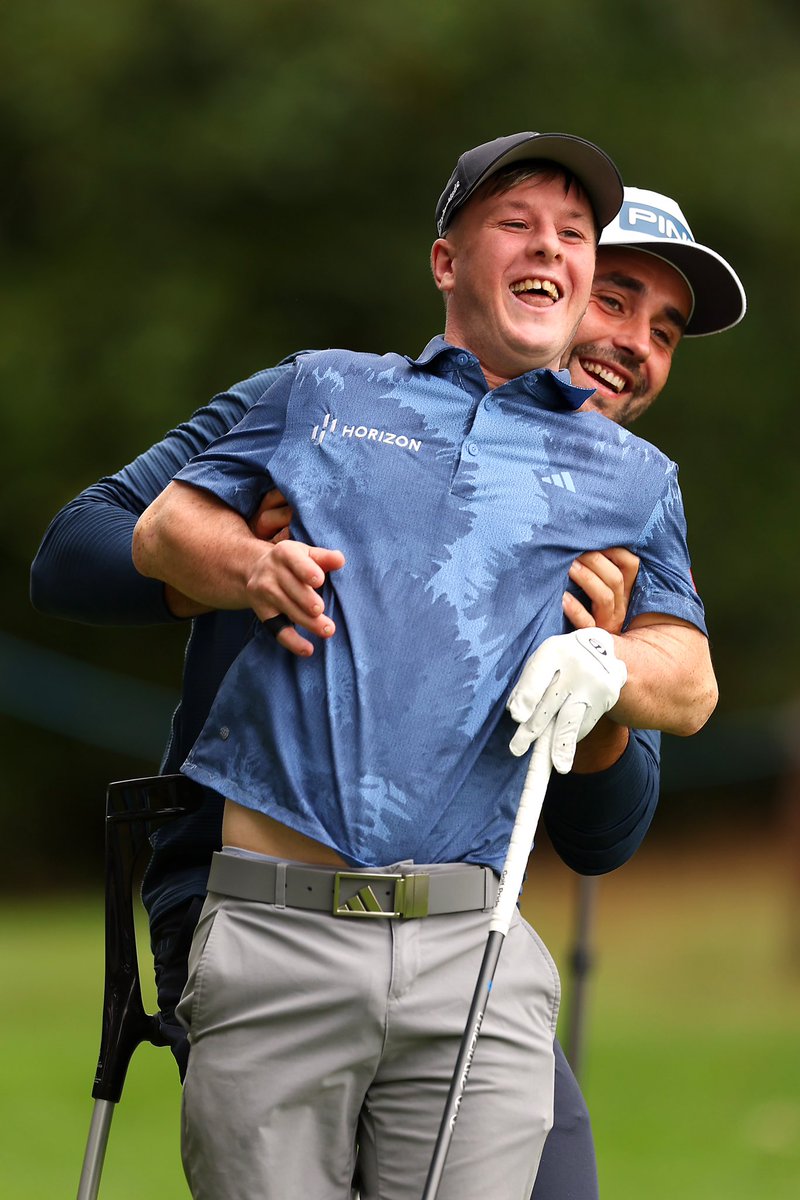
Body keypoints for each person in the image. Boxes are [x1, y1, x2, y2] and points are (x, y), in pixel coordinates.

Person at [29, 164, 745, 1199]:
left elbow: (605, 833)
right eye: (614, 297)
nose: (631, 341)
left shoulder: (622, 506)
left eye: (663, 330)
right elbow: (82, 549)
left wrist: (598, 667)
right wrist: (247, 557)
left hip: (455, 923)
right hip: (251, 889)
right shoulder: (330, 400)